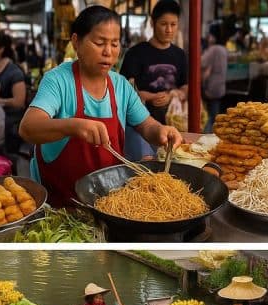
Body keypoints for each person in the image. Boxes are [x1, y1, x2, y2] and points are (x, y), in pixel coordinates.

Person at [19, 5, 184, 207]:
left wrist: (160, 131)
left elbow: (146, 125)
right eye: (99, 42)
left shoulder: (120, 85)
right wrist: (75, 127)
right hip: (62, 205)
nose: (108, 52)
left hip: (109, 202)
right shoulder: (58, 80)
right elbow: (28, 127)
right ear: (76, 42)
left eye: (114, 44)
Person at [119, 0, 188, 160]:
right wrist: (150, 97)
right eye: (164, 24)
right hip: (139, 129)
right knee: (146, 167)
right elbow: (123, 89)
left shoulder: (180, 55)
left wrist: (171, 95)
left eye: (173, 24)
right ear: (153, 22)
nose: (169, 29)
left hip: (173, 125)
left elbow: (186, 87)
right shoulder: (135, 53)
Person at [201, 29, 228, 134]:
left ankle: (207, 135)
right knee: (215, 113)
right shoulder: (223, 49)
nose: (208, 38)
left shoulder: (213, 49)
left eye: (210, 35)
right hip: (221, 86)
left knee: (209, 115)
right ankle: (214, 134)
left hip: (211, 86)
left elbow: (201, 62)